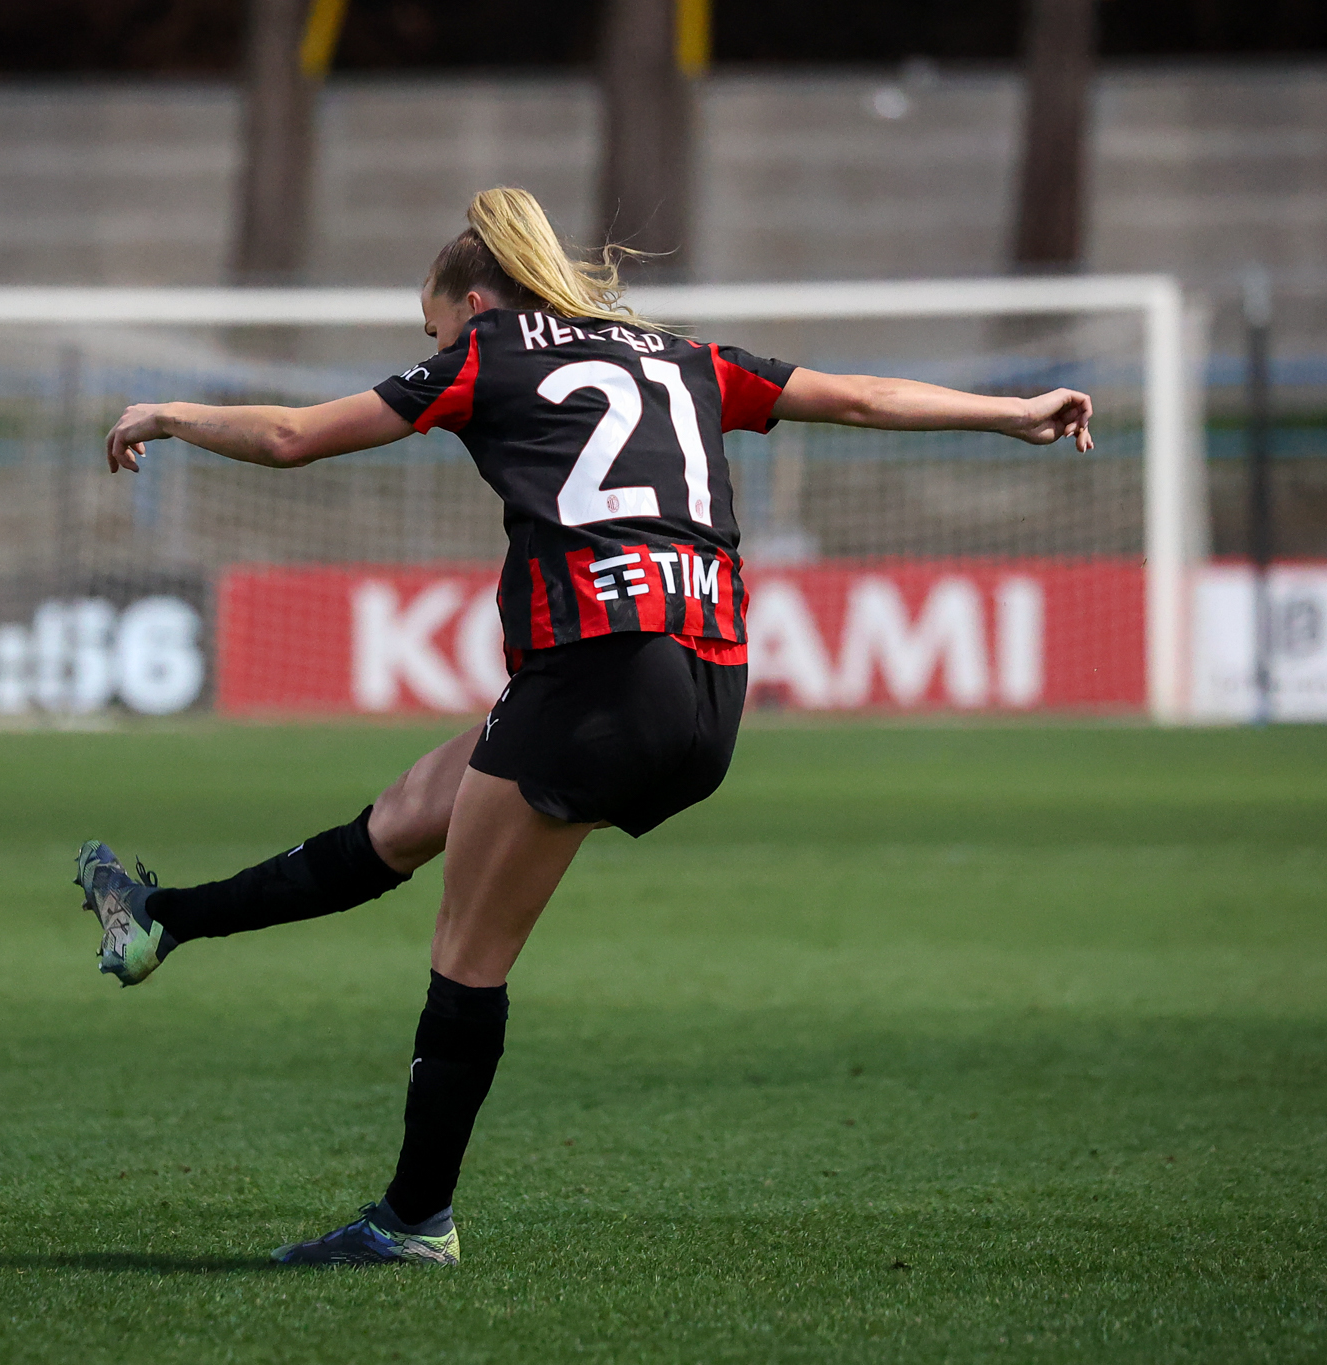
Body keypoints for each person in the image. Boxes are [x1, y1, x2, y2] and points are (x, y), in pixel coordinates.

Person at [75, 187, 1095, 1267]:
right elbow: (857, 396)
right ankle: (159, 921)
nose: (431, 349)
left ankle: (413, 1221)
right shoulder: (681, 354)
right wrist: (1006, 411)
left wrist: (167, 415)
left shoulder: (486, 351)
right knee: (414, 811)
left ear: (473, 302)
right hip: (706, 686)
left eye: (431, 329)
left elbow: (289, 436)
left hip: (602, 672)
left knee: (467, 956)